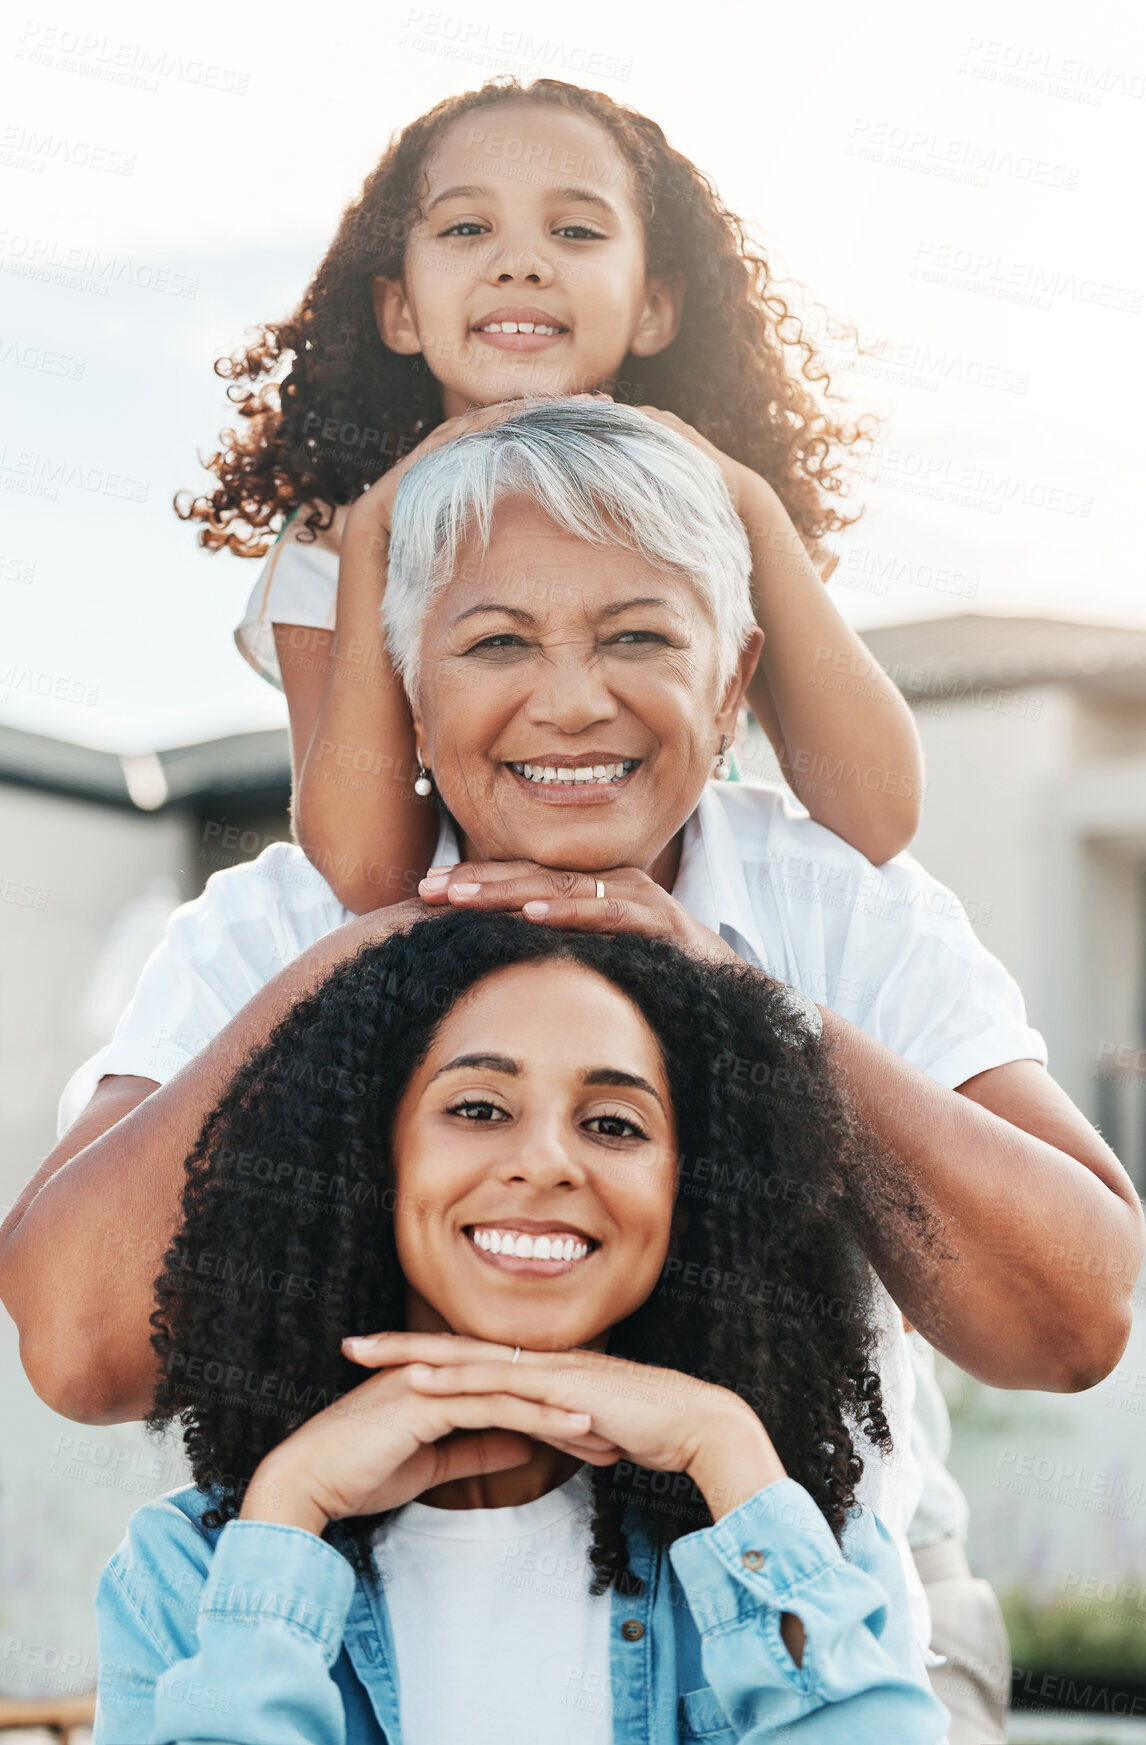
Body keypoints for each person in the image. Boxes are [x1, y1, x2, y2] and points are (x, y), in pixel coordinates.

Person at [2, 401, 1140, 1652]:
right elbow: (79, 1350)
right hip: (350, 1677)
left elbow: (1071, 1321)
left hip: (782, 1668)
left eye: (638, 635)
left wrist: (740, 1000)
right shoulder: (270, 927)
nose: (571, 701)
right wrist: (372, 950)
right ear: (409, 694)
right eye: (495, 642)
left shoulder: (843, 906)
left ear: (731, 683)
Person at [94, 912, 949, 1743]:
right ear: (370, 1156)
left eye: (614, 1124)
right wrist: (288, 1507)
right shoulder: (189, 1569)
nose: (544, 1160)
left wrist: (722, 1440)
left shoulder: (791, 1531)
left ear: (692, 1191)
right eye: (478, 1107)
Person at [177, 76, 925, 913]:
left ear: (654, 306)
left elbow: (877, 815)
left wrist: (749, 502)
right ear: (398, 310)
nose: (521, 262)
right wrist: (373, 534)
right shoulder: (335, 540)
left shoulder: (716, 519)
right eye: (467, 227)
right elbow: (365, 875)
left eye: (575, 230)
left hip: (702, 939)